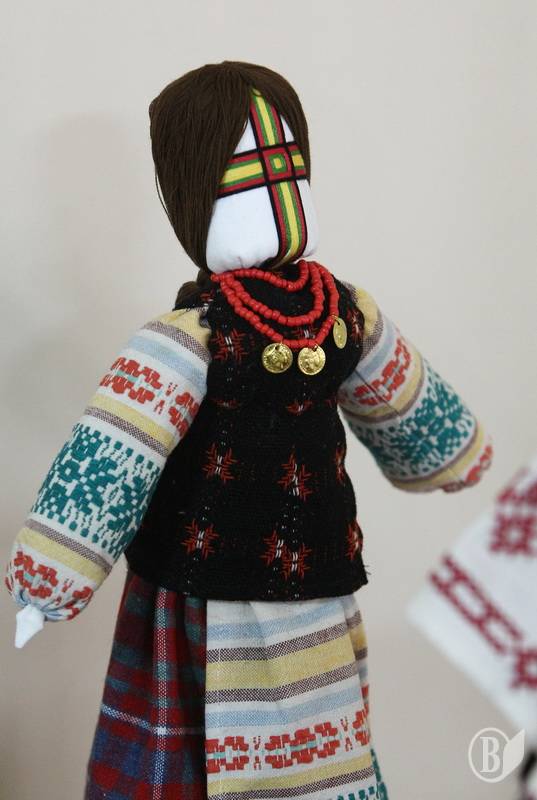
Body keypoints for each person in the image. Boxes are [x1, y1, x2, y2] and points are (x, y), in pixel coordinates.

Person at [5, 61, 493, 800]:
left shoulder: (342, 313)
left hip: (317, 585)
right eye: (247, 180)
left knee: (322, 754)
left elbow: (400, 394)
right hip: (202, 592)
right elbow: (115, 450)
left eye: (285, 169)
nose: (273, 195)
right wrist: (50, 580)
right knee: (202, 763)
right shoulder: (191, 337)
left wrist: (449, 451)